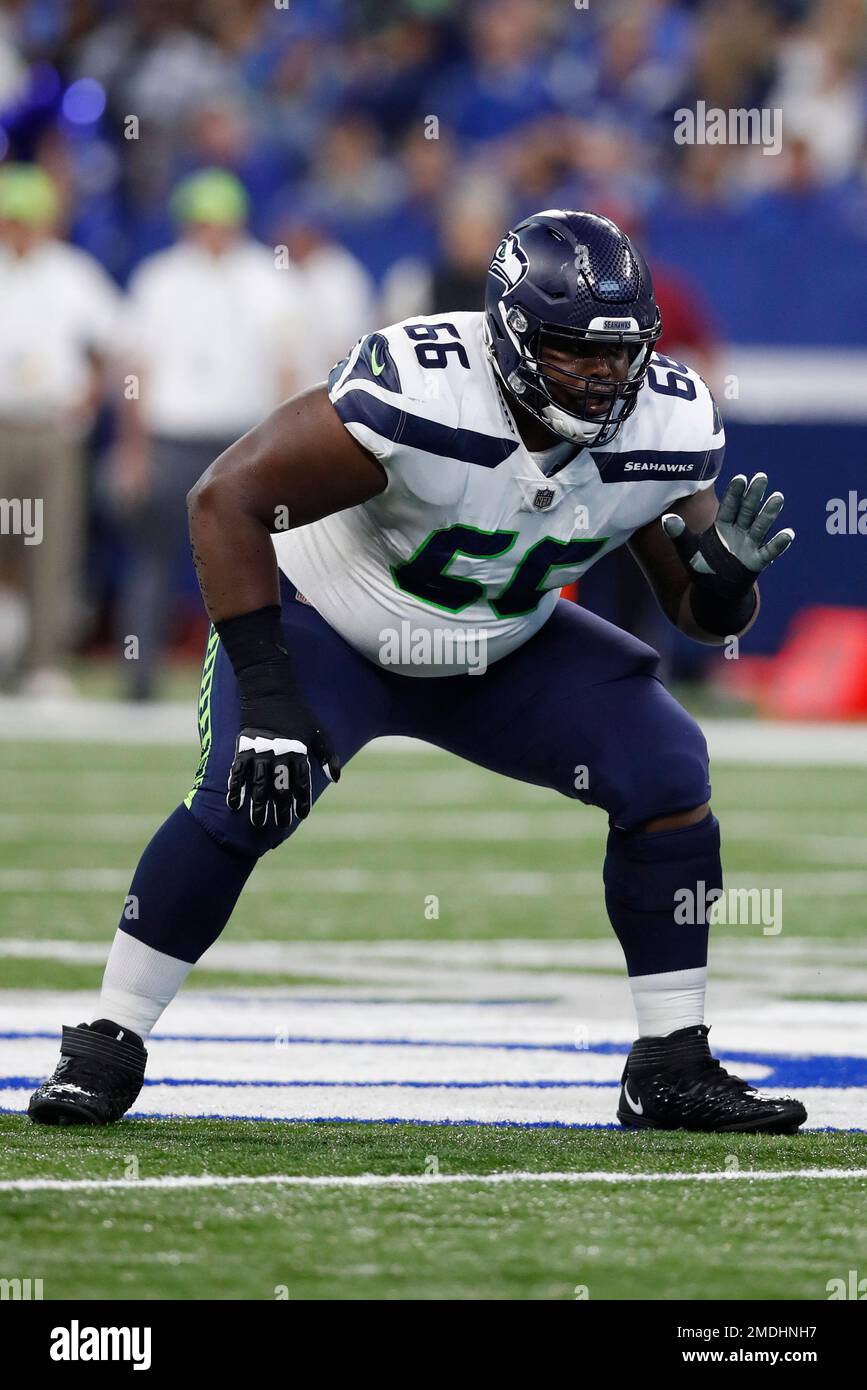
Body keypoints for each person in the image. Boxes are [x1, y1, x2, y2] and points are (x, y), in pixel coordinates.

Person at [30, 210, 805, 1133]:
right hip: (334, 622)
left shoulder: (664, 418)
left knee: (668, 768)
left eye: (621, 351)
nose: (604, 375)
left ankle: (670, 1065)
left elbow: (693, 605)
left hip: (499, 644)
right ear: (511, 336)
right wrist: (272, 697)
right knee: (247, 793)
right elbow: (226, 498)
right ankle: (107, 1041)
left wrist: (723, 592)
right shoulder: (423, 388)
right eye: (572, 350)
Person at [113, 168, 316, 699]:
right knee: (154, 557)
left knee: (250, 566)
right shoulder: (159, 278)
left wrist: (286, 449)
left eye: (219, 222)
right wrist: (132, 451)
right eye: (203, 222)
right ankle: (140, 677)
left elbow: (287, 371)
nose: (211, 232)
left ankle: (249, 681)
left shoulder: (269, 278)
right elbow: (137, 371)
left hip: (243, 440)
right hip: (172, 435)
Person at [0, 163, 120, 695]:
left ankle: (42, 666)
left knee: (49, 547)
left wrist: (85, 403)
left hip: (51, 429)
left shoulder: (74, 273)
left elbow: (110, 346)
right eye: (14, 218)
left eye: (32, 218)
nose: (23, 228)